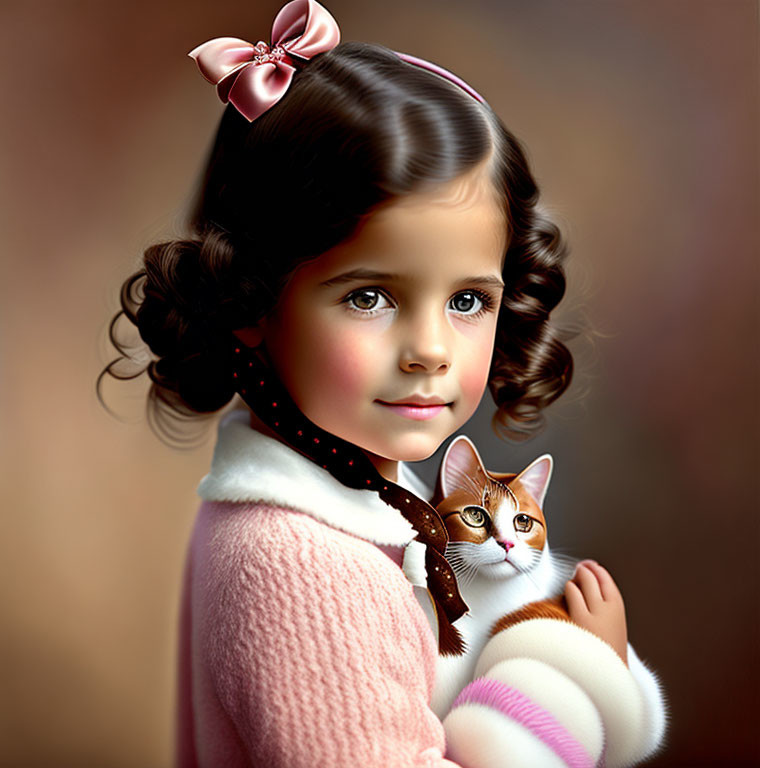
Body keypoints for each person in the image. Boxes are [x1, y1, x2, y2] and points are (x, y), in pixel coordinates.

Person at [98, 1, 666, 765]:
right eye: (370, 296)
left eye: (468, 300)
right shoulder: (302, 566)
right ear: (249, 300)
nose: (430, 350)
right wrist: (577, 666)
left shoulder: (370, 506)